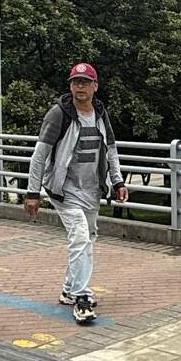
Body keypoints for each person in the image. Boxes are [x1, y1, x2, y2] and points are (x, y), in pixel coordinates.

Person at [24, 63, 128, 324]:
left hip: (91, 189)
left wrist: (117, 182)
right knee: (80, 235)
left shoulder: (100, 114)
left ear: (95, 86)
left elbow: (111, 150)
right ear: (70, 86)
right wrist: (32, 192)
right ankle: (82, 297)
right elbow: (40, 156)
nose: (79, 87)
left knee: (87, 238)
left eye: (85, 82)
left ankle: (70, 290)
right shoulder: (59, 114)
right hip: (64, 189)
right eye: (75, 82)